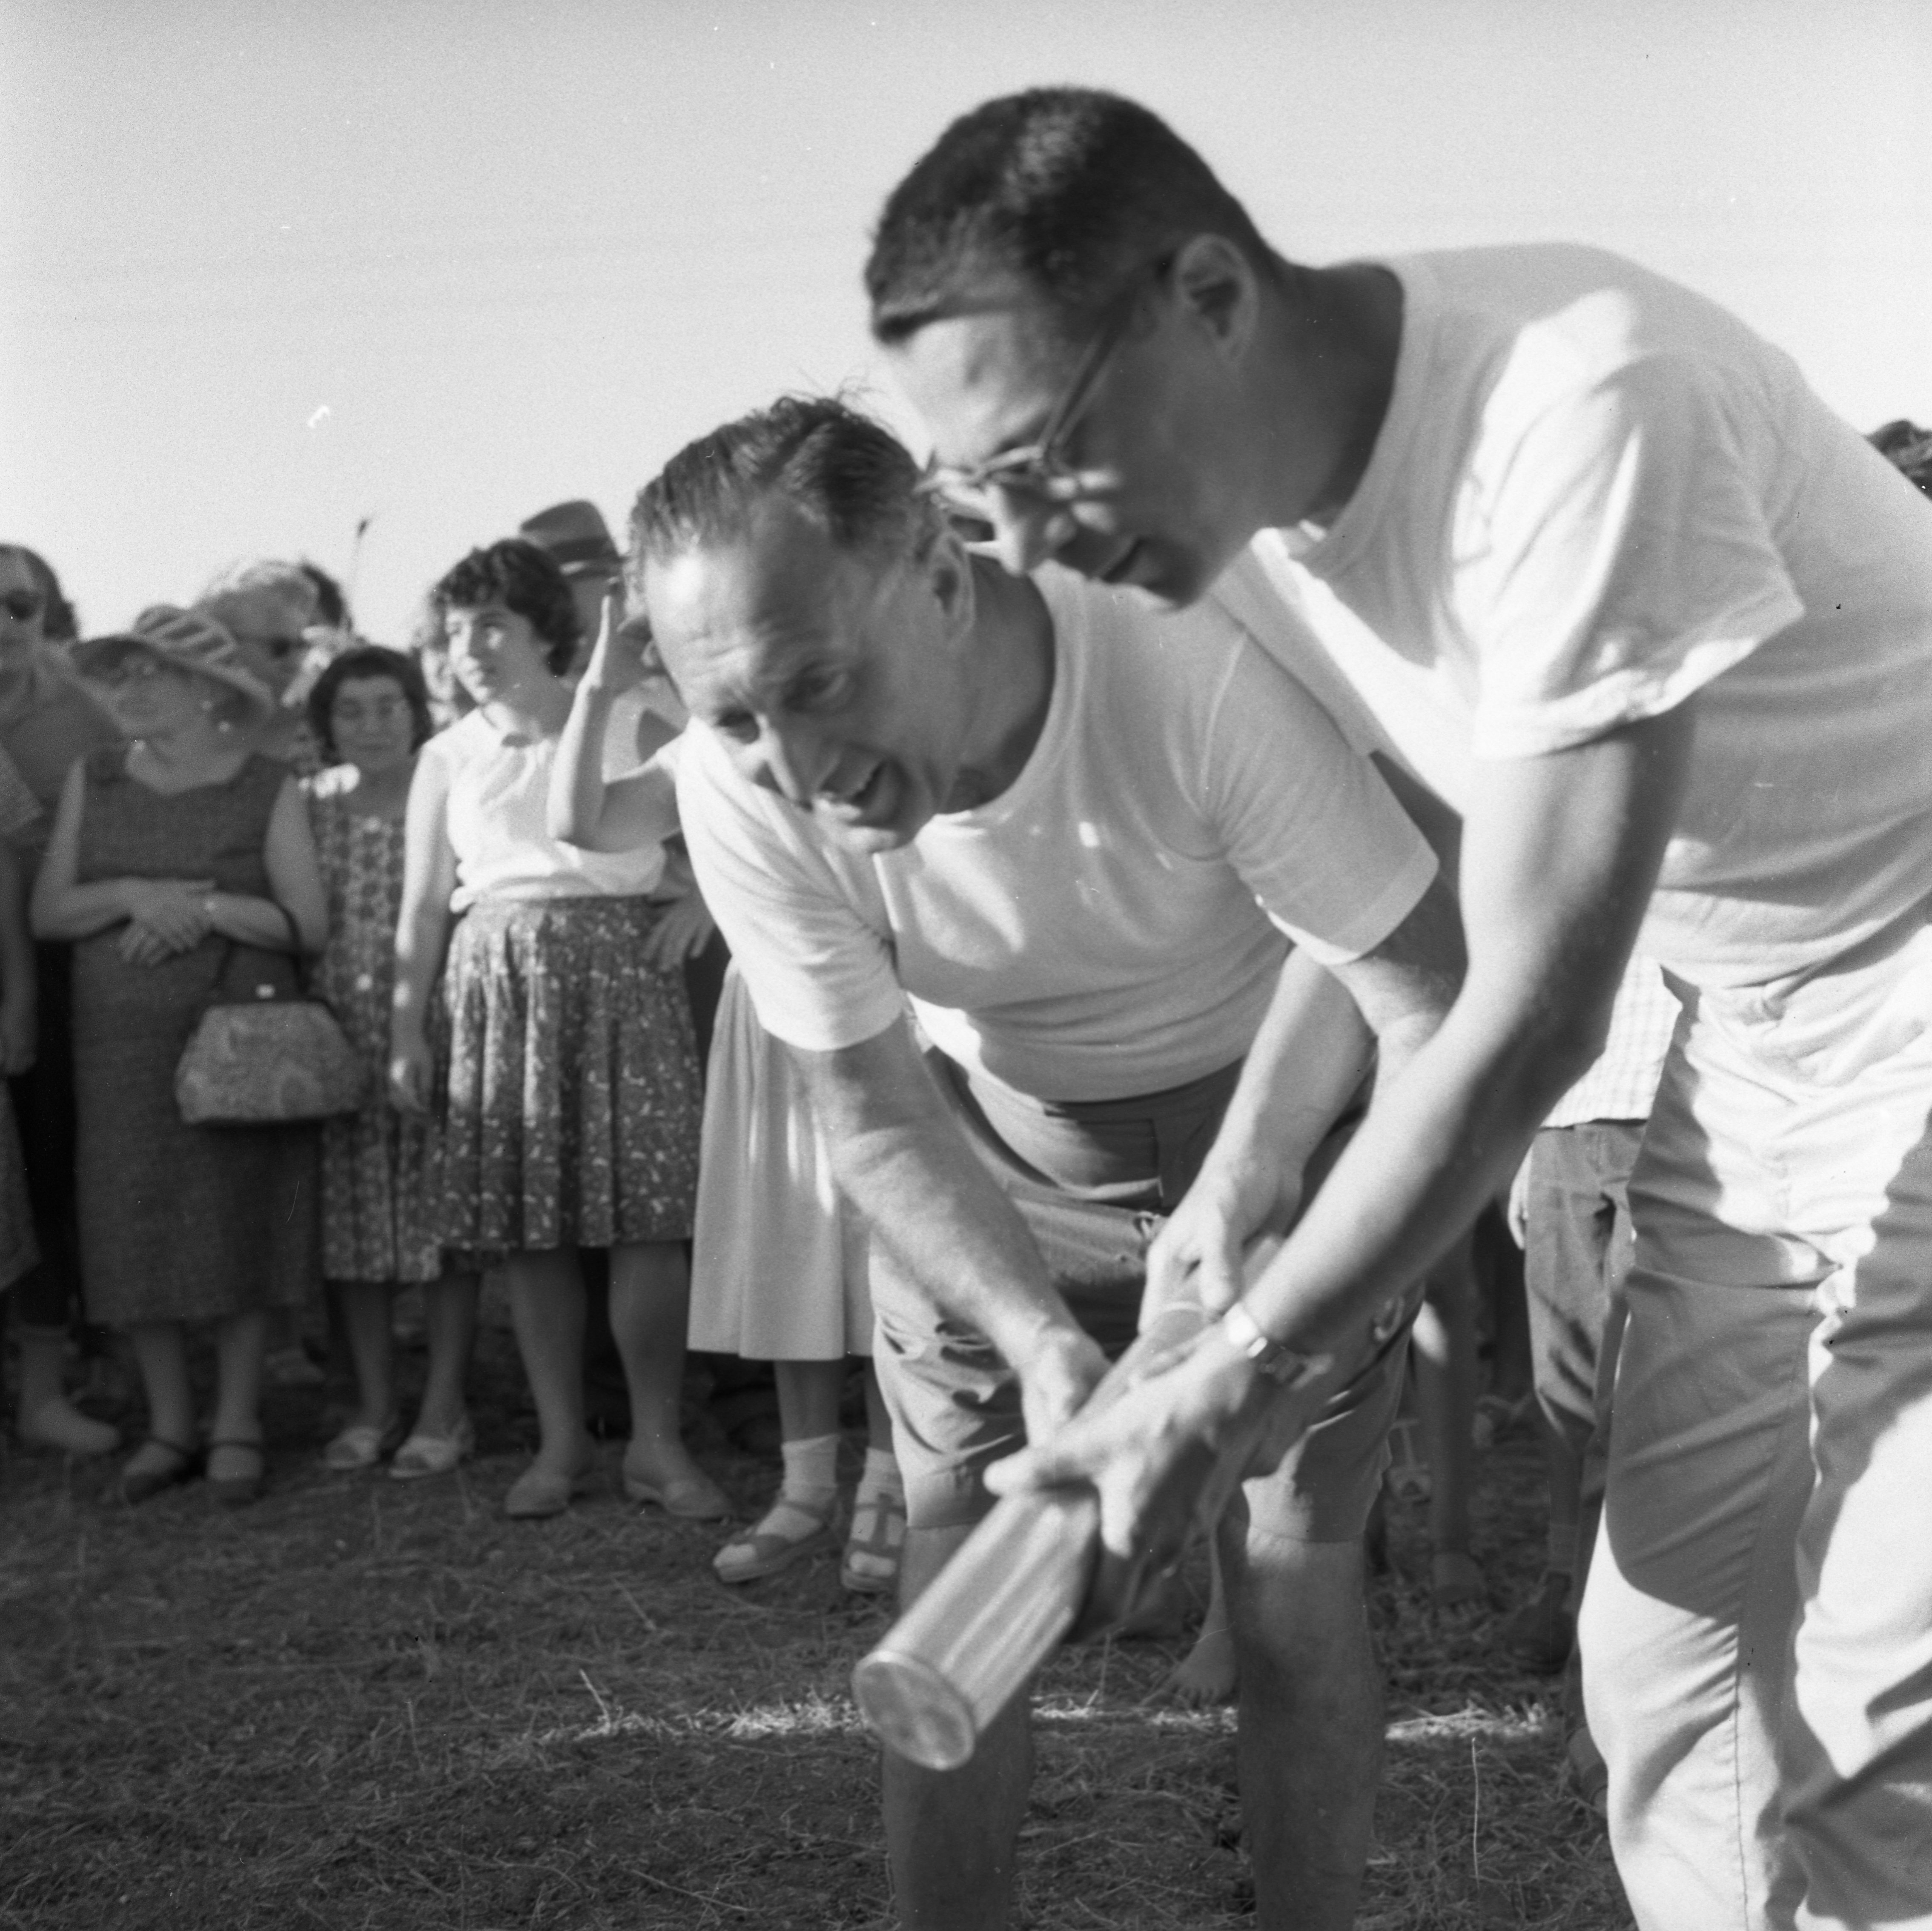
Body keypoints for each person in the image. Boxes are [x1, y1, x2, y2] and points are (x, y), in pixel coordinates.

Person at [867, 87, 1932, 1931]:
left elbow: (1526, 1007)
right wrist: (1244, 1186)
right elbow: (1404, 878)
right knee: (1668, 1670)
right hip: (1759, 1039)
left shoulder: (1583, 399)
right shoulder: (1253, 531)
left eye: (1046, 456)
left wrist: (1240, 1374)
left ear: (1208, 293)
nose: (1029, 537)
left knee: (1864, 1711)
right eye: (987, 498)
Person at [631, 396, 1464, 1931]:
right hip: (989, 1152)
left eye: (820, 684)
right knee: (960, 1574)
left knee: (1285, 1572)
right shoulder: (727, 778)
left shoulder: (1180, 657)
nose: (796, 766)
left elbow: (1407, 991)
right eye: (737, 715)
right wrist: (1035, 1342)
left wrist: (1268, 1233)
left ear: (942, 579)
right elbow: (874, 1110)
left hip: (1271, 1133)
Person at [548, 596, 905, 1592]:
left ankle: (889, 1482)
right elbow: (579, 821)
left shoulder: (849, 715)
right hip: (767, 1011)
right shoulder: (697, 752)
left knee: (888, 1250)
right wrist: (601, 686)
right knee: (790, 1236)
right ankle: (805, 1489)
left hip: (878, 996)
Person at [387, 539, 722, 1522]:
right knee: (533, 1229)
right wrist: (407, 1030)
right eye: (454, 633)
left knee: (649, 1217)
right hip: (499, 980)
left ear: (544, 630)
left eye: (491, 624)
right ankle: (561, 1441)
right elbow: (419, 909)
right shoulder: (445, 756)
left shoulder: (630, 715)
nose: (470, 649)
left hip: (625, 971)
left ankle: (657, 1444)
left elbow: (729, 823)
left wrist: (699, 898)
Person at [33, 605, 327, 1505]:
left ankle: (236, 1420)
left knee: (233, 1216)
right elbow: (51, 914)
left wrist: (204, 910)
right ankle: (169, 1424)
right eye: (116, 676)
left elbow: (305, 923)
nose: (123, 691)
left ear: (204, 688)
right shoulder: (97, 777)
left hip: (230, 1043)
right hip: (115, 1047)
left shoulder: (266, 784)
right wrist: (133, 892)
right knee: (133, 1227)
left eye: (143, 674)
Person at [305, 645, 481, 1478]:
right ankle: (372, 1407)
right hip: (338, 1037)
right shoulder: (310, 804)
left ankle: (446, 1408)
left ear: (417, 711)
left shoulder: (445, 788)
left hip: (434, 1024)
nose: (371, 725)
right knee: (353, 1233)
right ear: (326, 723)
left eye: (387, 706)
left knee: (439, 1233)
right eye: (351, 709)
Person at [1, 543, 123, 1455]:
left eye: (19, 603)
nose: (5, 621)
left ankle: (58, 1378)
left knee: (48, 1174)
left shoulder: (86, 709)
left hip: (51, 964)